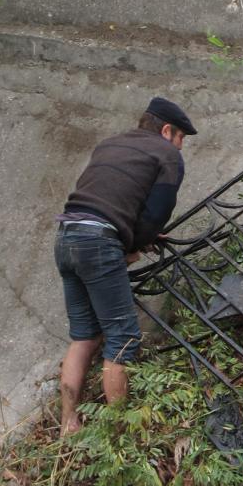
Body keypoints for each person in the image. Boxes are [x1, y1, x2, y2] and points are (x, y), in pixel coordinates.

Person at [54, 97, 196, 435]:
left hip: (66, 237)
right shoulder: (167, 155)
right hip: (99, 241)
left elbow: (108, 195)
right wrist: (133, 245)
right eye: (181, 139)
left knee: (84, 335)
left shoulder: (110, 144)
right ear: (166, 130)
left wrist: (124, 242)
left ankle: (68, 422)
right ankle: (119, 433)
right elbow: (155, 213)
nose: (181, 148)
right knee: (124, 337)